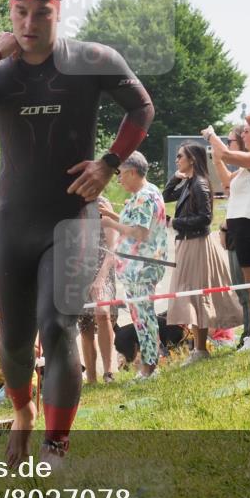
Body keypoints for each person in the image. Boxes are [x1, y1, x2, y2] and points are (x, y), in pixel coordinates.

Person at [0, 0, 153, 465]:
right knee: (13, 343)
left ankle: (56, 446)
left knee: (57, 326)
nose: (29, 23)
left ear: (58, 12)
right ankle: (22, 413)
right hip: (15, 221)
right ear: (9, 13)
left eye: (42, 13)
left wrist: (109, 163)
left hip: (70, 218)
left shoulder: (92, 59)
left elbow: (141, 107)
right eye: (20, 13)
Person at [162, 142, 242, 364]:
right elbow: (166, 195)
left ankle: (200, 349)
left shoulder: (199, 184)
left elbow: (206, 218)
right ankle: (199, 349)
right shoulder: (189, 181)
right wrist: (177, 177)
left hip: (197, 243)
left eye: (180, 156)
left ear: (192, 160)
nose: (177, 159)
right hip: (188, 242)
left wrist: (175, 221)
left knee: (197, 295)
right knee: (191, 295)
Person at [204, 115, 250, 351]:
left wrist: (211, 136)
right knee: (248, 284)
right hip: (240, 224)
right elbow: (226, 179)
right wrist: (217, 155)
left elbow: (227, 155)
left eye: (247, 131)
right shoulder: (249, 166)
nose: (243, 135)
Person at [98, 151, 169, 379]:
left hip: (141, 267)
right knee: (141, 316)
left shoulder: (143, 196)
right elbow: (135, 223)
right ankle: (150, 365)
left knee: (143, 317)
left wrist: (111, 223)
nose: (118, 179)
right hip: (139, 266)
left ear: (131, 172)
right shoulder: (150, 192)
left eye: (120, 174)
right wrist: (113, 215)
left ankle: (149, 368)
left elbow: (140, 233)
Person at [78, 196, 118, 384]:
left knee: (102, 314)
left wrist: (100, 278)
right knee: (85, 324)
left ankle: (109, 372)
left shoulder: (102, 204)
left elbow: (113, 247)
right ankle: (92, 378)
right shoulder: (70, 206)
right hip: (79, 272)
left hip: (103, 270)